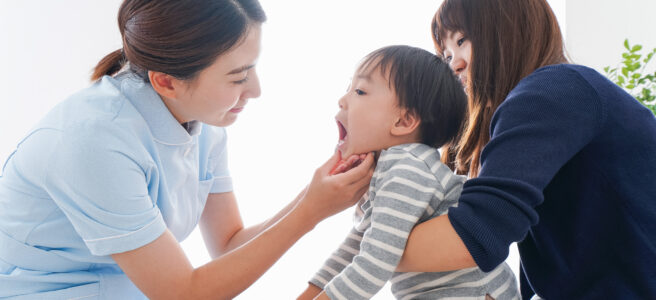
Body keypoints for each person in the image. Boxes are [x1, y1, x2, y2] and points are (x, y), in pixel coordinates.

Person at [0, 0, 375, 299]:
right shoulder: (92, 141)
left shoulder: (202, 121)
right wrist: (310, 213)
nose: (256, 90)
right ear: (166, 82)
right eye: (238, 76)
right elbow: (183, 293)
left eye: (253, 68)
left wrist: (313, 195)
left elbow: (228, 246)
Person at [386, 0, 656, 299]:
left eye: (462, 40)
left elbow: (476, 234)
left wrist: (366, 251)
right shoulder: (553, 95)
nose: (454, 64)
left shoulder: (551, 89)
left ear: (508, 28)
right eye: (446, 54)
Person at [298, 45, 520, 300]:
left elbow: (374, 261)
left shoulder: (406, 165)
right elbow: (353, 250)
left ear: (403, 122)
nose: (342, 100)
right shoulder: (384, 171)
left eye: (359, 91)